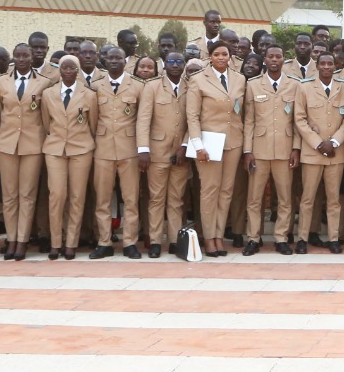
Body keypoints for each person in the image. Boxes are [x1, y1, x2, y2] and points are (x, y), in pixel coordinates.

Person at [186, 40, 247, 257]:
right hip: (208, 143)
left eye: (225, 54)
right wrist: (197, 145)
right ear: (210, 57)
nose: (221, 58)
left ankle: (220, 236)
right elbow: (192, 115)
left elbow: (242, 112)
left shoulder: (239, 79)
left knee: (226, 191)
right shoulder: (198, 79)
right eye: (217, 54)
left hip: (233, 141)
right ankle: (209, 237)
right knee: (209, 191)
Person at [0, 43, 49, 261]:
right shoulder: (1, 82)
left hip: (32, 145)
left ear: (33, 56)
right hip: (7, 144)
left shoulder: (44, 83)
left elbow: (45, 117)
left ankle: (23, 240)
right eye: (18, 55)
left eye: (26, 55)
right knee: (9, 195)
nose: (22, 59)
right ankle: (12, 238)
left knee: (27, 195)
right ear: (13, 58)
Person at [245, 45, 301, 255]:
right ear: (264, 60)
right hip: (259, 151)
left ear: (284, 59)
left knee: (285, 198)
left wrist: (296, 148)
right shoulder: (253, 85)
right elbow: (249, 121)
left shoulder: (294, 85)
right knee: (255, 198)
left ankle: (281, 237)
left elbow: (297, 120)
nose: (274, 60)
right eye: (270, 57)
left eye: (278, 56)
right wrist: (247, 151)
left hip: (285, 150)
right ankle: (253, 237)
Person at [41, 55, 97, 260]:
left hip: (81, 149)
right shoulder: (48, 94)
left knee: (77, 196)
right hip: (55, 149)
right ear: (59, 70)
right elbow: (46, 123)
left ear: (78, 70)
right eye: (64, 67)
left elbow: (93, 124)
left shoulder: (89, 95)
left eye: (72, 67)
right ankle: (56, 242)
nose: (68, 71)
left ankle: (71, 242)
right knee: (56, 195)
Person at [135, 51, 189, 259]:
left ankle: (175, 240)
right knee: (156, 198)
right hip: (156, 152)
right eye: (171, 62)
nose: (175, 65)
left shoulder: (190, 86)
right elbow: (143, 120)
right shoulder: (152, 87)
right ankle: (156, 240)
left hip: (181, 153)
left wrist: (185, 146)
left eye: (179, 61)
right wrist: (143, 150)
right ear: (164, 65)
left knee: (176, 199)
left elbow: (193, 119)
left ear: (183, 64)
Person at [90, 47, 143, 259]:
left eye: (118, 58)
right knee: (102, 199)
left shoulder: (138, 86)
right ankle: (104, 242)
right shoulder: (95, 86)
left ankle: (130, 242)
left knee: (131, 199)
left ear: (125, 61)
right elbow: (93, 119)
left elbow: (142, 118)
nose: (114, 61)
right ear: (104, 59)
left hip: (129, 148)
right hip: (102, 148)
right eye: (110, 58)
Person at [295, 51, 344, 253]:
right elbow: (299, 119)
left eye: (330, 64)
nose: (326, 67)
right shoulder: (304, 87)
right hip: (313, 152)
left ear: (335, 66)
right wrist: (318, 143)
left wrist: (334, 142)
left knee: (334, 199)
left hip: (335, 153)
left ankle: (334, 238)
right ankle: (302, 238)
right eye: (323, 63)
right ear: (316, 66)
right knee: (308, 198)